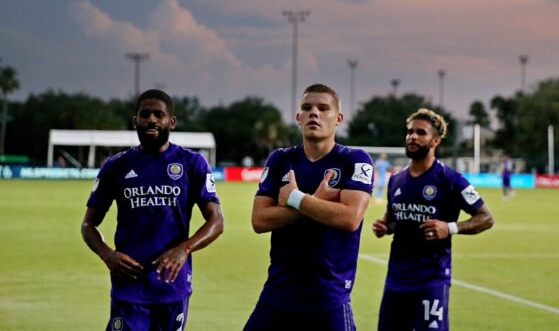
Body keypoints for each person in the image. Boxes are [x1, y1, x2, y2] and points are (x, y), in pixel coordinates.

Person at [81, 89, 224, 331]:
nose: (152, 120)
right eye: (145, 114)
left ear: (172, 121)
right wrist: (107, 254)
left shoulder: (192, 164)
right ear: (135, 121)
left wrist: (184, 249)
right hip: (129, 288)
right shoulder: (116, 166)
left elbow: (217, 221)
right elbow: (88, 225)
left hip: (172, 285)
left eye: (159, 114)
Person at [244, 83, 374, 331]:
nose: (314, 113)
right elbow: (260, 220)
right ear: (298, 118)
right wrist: (317, 202)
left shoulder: (353, 160)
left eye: (323, 108)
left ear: (338, 119)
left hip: (328, 297)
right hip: (279, 292)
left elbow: (349, 218)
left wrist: (295, 199)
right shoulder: (280, 159)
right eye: (307, 107)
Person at [372, 108, 493, 331]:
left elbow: (486, 217)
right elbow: (394, 218)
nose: (413, 137)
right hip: (396, 279)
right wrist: (385, 226)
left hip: (431, 280)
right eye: (409, 132)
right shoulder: (396, 180)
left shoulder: (451, 180)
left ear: (436, 140)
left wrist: (450, 227)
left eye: (421, 132)